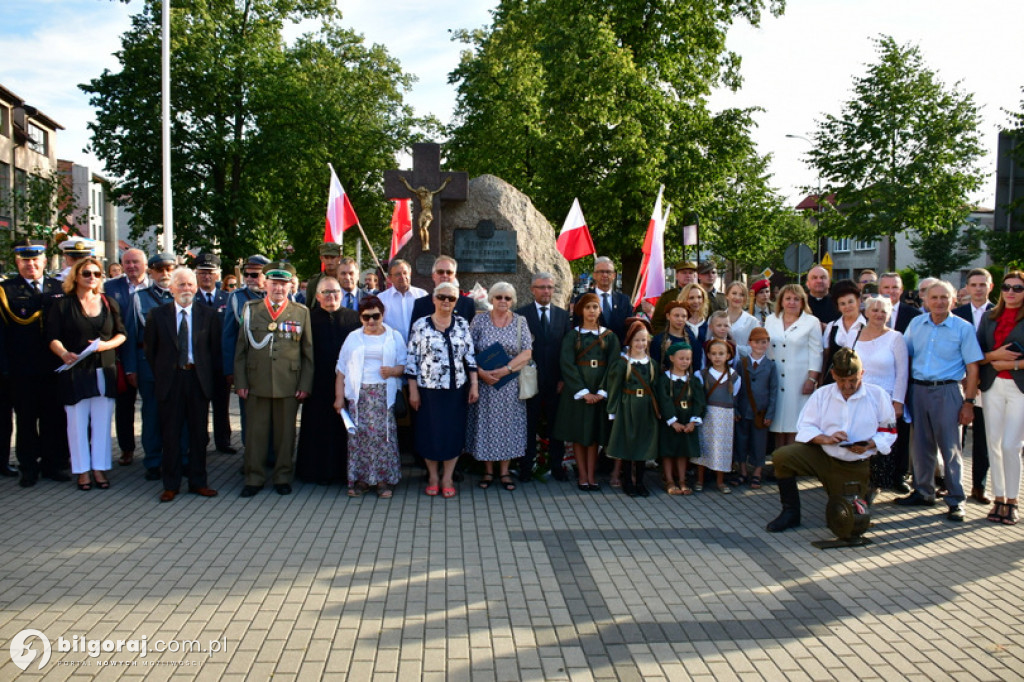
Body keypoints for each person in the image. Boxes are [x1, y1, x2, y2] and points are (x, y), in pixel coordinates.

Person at [766, 348, 897, 533]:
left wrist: (871, 444)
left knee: (846, 524)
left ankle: (865, 493)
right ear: (834, 374)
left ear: (862, 373)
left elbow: (889, 429)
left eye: (853, 381)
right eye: (842, 381)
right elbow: (805, 426)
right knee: (782, 456)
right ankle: (791, 513)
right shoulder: (822, 394)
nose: (847, 386)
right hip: (823, 455)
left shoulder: (877, 395)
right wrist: (824, 438)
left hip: (855, 463)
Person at [897, 280, 983, 522]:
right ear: (925, 300)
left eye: (944, 297)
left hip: (947, 392)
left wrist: (969, 402)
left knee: (950, 448)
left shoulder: (962, 328)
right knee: (921, 446)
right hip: (919, 391)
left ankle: (956, 499)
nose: (939, 302)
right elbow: (904, 356)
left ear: (953, 300)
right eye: (934, 297)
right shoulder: (916, 324)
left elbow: (973, 367)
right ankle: (923, 492)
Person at [45, 257, 126, 491]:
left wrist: (105, 346)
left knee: (102, 422)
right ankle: (82, 471)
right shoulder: (62, 304)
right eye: (87, 274)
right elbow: (51, 336)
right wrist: (62, 353)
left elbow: (121, 334)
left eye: (97, 274)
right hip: (74, 370)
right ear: (76, 277)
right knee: (76, 423)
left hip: (104, 369)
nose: (92, 278)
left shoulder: (108, 302)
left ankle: (99, 468)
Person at [235, 261, 314, 497]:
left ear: (290, 286)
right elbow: (241, 350)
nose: (278, 288)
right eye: (274, 283)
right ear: (265, 283)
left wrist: (304, 384)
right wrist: (240, 382)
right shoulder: (251, 309)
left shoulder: (301, 312)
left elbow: (307, 353)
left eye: (283, 284)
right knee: (255, 434)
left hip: (288, 384)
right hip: (256, 382)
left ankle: (282, 476)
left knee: (285, 435)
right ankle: (254, 477)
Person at [144, 268, 220, 502]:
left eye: (190, 284)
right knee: (171, 434)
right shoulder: (157, 315)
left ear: (195, 288)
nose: (186, 289)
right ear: (171, 288)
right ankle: (171, 484)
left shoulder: (209, 315)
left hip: (198, 380)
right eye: (181, 285)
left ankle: (198, 482)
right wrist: (164, 373)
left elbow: (214, 352)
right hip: (171, 380)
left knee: (199, 435)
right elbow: (150, 351)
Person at [0, 239, 69, 486]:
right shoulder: (6, 290)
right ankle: (28, 467)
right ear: (17, 263)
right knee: (26, 420)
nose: (31, 264)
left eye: (35, 260)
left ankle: (53, 464)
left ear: (44, 261)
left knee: (53, 418)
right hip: (22, 369)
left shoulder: (59, 287)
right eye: (25, 261)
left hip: (54, 367)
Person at [406, 282, 479, 498]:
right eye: (442, 297)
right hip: (428, 391)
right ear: (434, 299)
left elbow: (470, 357)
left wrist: (474, 384)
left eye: (451, 298)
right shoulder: (421, 324)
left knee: (453, 433)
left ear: (456, 301)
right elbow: (412, 360)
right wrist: (413, 390)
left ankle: (447, 476)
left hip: (457, 389)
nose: (446, 301)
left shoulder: (462, 324)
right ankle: (433, 476)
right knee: (431, 433)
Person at [335, 295, 406, 498]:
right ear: (361, 318)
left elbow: (405, 364)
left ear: (383, 314)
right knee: (360, 437)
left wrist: (392, 371)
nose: (372, 321)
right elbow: (341, 369)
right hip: (359, 395)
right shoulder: (353, 338)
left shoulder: (394, 336)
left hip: (384, 394)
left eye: (376, 316)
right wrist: (339, 397)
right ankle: (362, 480)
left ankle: (384, 481)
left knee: (383, 437)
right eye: (367, 317)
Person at [467, 282, 533, 491]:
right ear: (491, 299)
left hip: (510, 385)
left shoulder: (520, 321)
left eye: (507, 298)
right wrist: (480, 373)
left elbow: (527, 352)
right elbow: (467, 350)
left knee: (508, 427)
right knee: (486, 426)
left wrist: (506, 369)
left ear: (513, 301)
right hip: (485, 386)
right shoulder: (479, 321)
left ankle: (504, 473)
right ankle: (488, 471)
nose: (503, 301)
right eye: (499, 297)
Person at [295, 277, 360, 485]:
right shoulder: (308, 318)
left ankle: (343, 472)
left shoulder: (354, 318)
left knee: (343, 428)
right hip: (318, 381)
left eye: (335, 292)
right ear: (317, 296)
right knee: (317, 427)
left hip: (347, 383)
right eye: (326, 293)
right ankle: (315, 472)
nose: (331, 297)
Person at [553, 293, 618, 491]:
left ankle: (592, 475)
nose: (591, 311)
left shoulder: (609, 336)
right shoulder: (573, 335)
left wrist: (602, 391)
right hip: (578, 394)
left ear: (600, 310)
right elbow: (567, 363)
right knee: (580, 435)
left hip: (600, 392)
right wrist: (582, 391)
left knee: (595, 436)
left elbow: (614, 366)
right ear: (581, 310)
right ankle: (582, 475)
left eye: (595, 307)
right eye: (588, 307)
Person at [123, 252, 177, 481]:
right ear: (151, 272)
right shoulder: (139, 298)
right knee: (152, 414)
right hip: (149, 367)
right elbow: (131, 334)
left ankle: (177, 458)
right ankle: (153, 461)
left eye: (169, 269)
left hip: (177, 367)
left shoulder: (184, 295)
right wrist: (130, 368)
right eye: (159, 269)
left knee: (177, 415)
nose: (165, 273)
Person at [975, 270, 1024, 525]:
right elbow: (977, 355)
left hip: (1019, 388)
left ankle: (1013, 500)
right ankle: (999, 498)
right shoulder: (988, 318)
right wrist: (995, 357)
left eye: (1018, 288)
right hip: (992, 386)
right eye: (1007, 287)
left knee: (1011, 446)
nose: (1011, 292)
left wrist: (1011, 365)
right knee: (994, 444)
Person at [516, 273, 572, 482]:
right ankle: (525, 467)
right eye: (541, 287)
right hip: (529, 381)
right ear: (532, 289)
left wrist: (563, 379)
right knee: (528, 426)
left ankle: (557, 466)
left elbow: (566, 350)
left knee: (555, 426)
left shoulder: (562, 315)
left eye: (550, 287)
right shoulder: (521, 315)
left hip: (555, 382)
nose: (546, 291)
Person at [855, 295, 909, 494]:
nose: (878, 314)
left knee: (880, 441)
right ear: (866, 312)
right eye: (874, 310)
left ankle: (876, 485)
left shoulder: (895, 338)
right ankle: (860, 479)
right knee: (861, 439)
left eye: (883, 311)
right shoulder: (855, 335)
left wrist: (898, 402)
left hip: (885, 399)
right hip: (859, 398)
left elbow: (902, 372)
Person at [104, 247, 150, 467]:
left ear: (145, 265)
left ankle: (154, 447)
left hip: (149, 355)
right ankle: (127, 449)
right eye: (127, 262)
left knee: (152, 405)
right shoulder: (110, 287)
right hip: (120, 356)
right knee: (124, 406)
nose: (132, 266)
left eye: (136, 262)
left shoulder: (156, 287)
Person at [953, 267, 995, 505]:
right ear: (967, 288)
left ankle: (979, 487)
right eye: (974, 285)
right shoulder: (956, 314)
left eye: (983, 284)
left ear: (990, 287)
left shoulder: (999, 312)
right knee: (957, 436)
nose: (978, 289)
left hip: (988, 385)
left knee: (983, 439)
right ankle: (953, 485)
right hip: (960, 384)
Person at [765, 284, 824, 447]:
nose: (792, 302)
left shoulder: (811, 322)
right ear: (781, 301)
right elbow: (766, 347)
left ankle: (791, 465)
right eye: (788, 299)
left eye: (796, 299)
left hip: (799, 380)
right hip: (775, 378)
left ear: (802, 302)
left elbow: (816, 353)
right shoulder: (771, 320)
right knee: (777, 424)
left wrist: (812, 379)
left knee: (794, 423)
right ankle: (778, 466)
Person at [606, 321, 659, 496]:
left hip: (645, 408)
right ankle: (628, 481)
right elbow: (614, 387)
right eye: (637, 340)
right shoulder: (622, 363)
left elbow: (656, 387)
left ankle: (641, 482)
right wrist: (612, 411)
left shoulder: (651, 364)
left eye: (644, 340)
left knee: (643, 445)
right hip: (627, 406)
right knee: (628, 445)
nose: (640, 344)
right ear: (629, 341)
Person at [222, 254, 269, 446]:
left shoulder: (280, 294)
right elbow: (228, 336)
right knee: (248, 416)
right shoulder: (236, 297)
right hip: (248, 368)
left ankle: (271, 456)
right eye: (247, 274)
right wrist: (230, 370)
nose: (249, 279)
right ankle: (249, 456)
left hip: (274, 368)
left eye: (255, 275)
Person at [193, 252, 234, 454]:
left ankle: (223, 441)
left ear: (217, 275)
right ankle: (200, 441)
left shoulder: (227, 298)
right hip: (199, 364)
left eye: (210, 273)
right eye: (202, 273)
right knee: (199, 406)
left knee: (222, 404)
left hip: (220, 363)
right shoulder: (190, 299)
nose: (206, 277)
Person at [655, 342, 705, 495]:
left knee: (683, 450)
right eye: (681, 358)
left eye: (688, 359)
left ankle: (682, 480)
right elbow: (663, 400)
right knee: (668, 450)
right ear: (671, 358)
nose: (685, 362)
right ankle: (669, 480)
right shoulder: (664, 380)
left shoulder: (693, 380)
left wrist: (693, 421)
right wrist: (672, 421)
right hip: (671, 422)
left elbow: (699, 401)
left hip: (687, 419)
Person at [733, 327, 777, 489]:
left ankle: (757, 472)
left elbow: (773, 391)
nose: (760, 345)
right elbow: (735, 389)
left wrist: (770, 413)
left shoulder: (771, 366)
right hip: (743, 411)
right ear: (750, 343)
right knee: (741, 441)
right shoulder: (741, 364)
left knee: (759, 443)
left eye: (763, 342)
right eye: (756, 342)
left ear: (767, 344)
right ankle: (743, 471)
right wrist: (735, 409)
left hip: (761, 412)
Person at [694, 338, 740, 493]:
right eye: (713, 354)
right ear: (708, 355)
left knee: (722, 448)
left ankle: (720, 481)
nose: (717, 357)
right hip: (707, 414)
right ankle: (700, 480)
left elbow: (735, 395)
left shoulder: (734, 375)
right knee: (704, 447)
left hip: (725, 415)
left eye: (721, 353)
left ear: (728, 355)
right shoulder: (702, 374)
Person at [409, 255, 476, 330]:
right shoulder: (420, 304)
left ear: (454, 276)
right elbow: (413, 336)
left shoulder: (467, 304)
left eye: (449, 272)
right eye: (440, 272)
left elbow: (472, 335)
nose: (445, 275)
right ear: (433, 276)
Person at [575, 257, 631, 342]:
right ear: (594, 275)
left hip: (617, 351)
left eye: (608, 272)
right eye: (601, 271)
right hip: (591, 351)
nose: (605, 275)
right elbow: (577, 327)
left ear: (614, 275)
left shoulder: (624, 300)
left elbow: (629, 328)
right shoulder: (582, 299)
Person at [820, 280, 865, 385]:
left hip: (860, 382)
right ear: (838, 307)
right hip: (834, 383)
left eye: (851, 302)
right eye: (842, 304)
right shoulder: (831, 327)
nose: (847, 307)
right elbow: (825, 358)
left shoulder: (868, 326)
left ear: (858, 301)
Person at [378, 259, 427, 345]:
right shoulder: (381, 299)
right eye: (397, 274)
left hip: (419, 347)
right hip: (393, 348)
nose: (402, 276)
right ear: (390, 278)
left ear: (410, 274)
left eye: (405, 273)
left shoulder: (422, 295)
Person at [650, 261, 698, 334]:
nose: (688, 275)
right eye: (684, 273)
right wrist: (666, 337)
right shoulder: (668, 296)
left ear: (695, 276)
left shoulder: (701, 295)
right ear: (676, 276)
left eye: (690, 273)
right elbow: (657, 322)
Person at [651, 301, 695, 370]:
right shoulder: (658, 340)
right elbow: (654, 366)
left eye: (684, 316)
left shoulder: (692, 341)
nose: (680, 319)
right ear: (668, 316)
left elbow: (695, 366)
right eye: (676, 315)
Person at [306, 242, 344, 311]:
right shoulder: (314, 282)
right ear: (321, 258)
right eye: (326, 257)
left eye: (333, 257)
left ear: (339, 258)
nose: (329, 261)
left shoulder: (345, 280)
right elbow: (309, 308)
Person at [725, 281, 759, 357]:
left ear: (745, 298)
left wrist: (736, 347)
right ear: (727, 295)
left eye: (742, 295)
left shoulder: (753, 322)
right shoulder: (716, 318)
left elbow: (757, 349)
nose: (737, 297)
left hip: (743, 366)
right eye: (734, 293)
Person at [680, 283, 709, 368]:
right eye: (691, 298)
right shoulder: (679, 324)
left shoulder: (708, 325)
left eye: (699, 297)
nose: (696, 301)